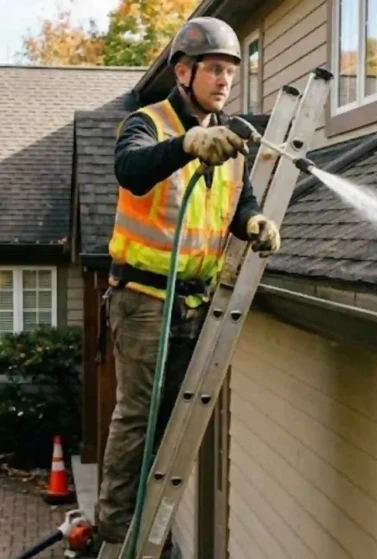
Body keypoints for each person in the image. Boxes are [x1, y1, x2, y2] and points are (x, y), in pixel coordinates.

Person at [95, 16, 281, 556]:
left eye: (231, 71)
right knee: (139, 412)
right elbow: (130, 170)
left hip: (195, 302)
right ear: (184, 71)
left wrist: (253, 222)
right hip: (144, 299)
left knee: (176, 416)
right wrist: (186, 143)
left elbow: (234, 201)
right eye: (215, 69)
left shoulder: (228, 138)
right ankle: (118, 528)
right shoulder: (146, 123)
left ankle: (155, 528)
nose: (225, 81)